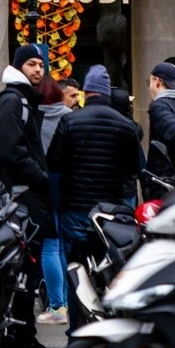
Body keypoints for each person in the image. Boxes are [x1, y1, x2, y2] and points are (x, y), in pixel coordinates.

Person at [0, 44, 57, 348]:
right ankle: (21, 337)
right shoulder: (14, 101)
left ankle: (18, 333)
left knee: (23, 273)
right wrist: (42, 178)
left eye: (40, 65)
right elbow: (10, 151)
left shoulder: (21, 100)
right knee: (23, 272)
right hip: (21, 198)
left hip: (23, 196)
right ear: (19, 67)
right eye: (31, 64)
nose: (38, 70)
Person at [47, 64, 142, 263]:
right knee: (108, 261)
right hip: (111, 206)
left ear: (86, 93)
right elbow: (133, 168)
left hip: (75, 205)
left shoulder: (69, 121)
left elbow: (55, 163)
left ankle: (74, 295)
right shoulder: (126, 126)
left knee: (74, 263)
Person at [36, 75, 70, 322]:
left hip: (42, 184)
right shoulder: (68, 116)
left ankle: (57, 305)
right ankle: (65, 301)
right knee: (62, 246)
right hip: (67, 185)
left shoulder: (30, 116)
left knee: (49, 245)